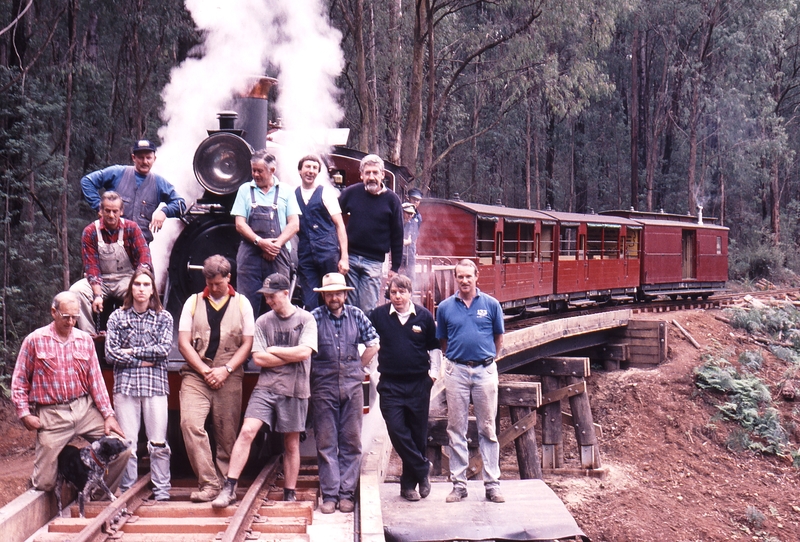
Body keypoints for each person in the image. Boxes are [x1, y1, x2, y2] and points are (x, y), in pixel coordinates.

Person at [212, 273, 317, 508]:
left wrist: (275, 349)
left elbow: (304, 353)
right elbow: (259, 359)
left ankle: (289, 493)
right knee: (247, 431)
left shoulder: (306, 319)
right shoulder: (263, 322)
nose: (269, 301)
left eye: (272, 297)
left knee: (291, 443)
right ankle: (229, 487)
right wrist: (289, 354)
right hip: (266, 389)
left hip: (295, 389)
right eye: (266, 297)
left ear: (285, 294)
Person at [11, 291, 128, 492]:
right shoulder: (35, 340)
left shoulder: (84, 340)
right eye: (66, 317)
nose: (71, 322)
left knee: (123, 449)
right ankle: (64, 459)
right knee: (44, 483)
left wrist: (108, 415)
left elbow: (96, 382)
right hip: (52, 414)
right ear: (53, 312)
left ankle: (96, 495)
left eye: (75, 317)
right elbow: (20, 381)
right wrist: (24, 414)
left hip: (84, 410)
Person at [177, 255, 255, 502]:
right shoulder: (192, 302)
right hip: (197, 374)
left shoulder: (243, 304)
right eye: (209, 284)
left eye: (218, 284)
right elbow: (183, 342)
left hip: (229, 374)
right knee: (190, 424)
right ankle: (209, 483)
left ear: (229, 278)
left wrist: (227, 370)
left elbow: (248, 343)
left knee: (227, 434)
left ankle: (226, 486)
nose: (213, 288)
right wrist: (204, 370)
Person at [436, 259, 505, 503]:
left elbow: (498, 338)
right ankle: (459, 485)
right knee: (456, 428)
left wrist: (486, 361)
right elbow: (443, 342)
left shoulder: (491, 305)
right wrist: (459, 360)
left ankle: (492, 485)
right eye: (460, 277)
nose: (464, 281)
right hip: (457, 372)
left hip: (485, 371)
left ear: (477, 276)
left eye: (468, 276)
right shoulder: (444, 307)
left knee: (487, 428)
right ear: (456, 279)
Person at [309, 273, 379, 514]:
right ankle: (329, 495)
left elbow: (374, 343)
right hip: (323, 386)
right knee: (326, 441)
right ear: (323, 296)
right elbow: (304, 350)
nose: (334, 298)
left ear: (346, 294)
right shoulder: (314, 318)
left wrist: (359, 366)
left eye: (338, 293)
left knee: (351, 440)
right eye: (330, 294)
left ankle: (346, 494)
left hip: (352, 386)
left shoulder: (357, 315)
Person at [369, 274, 440, 501]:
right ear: (388, 294)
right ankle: (422, 468)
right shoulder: (378, 316)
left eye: (401, 292)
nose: (397, 296)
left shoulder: (424, 316)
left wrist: (434, 376)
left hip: (419, 383)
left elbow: (434, 348)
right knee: (397, 429)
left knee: (417, 434)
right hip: (390, 384)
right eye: (393, 292)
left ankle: (408, 486)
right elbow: (368, 343)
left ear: (410, 293)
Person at [105, 268, 173, 500]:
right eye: (137, 284)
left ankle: (162, 490)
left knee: (158, 442)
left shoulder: (164, 318)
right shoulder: (117, 317)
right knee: (128, 444)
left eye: (146, 285)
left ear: (153, 289)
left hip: (155, 386)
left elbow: (163, 351)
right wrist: (143, 359)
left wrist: (131, 352)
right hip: (125, 387)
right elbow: (111, 354)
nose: (141, 289)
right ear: (131, 288)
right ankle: (128, 490)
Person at [69, 191, 152, 336]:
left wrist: (140, 279)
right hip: (100, 280)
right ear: (101, 211)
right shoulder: (90, 232)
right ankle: (89, 337)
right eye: (107, 211)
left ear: (121, 211)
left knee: (141, 291)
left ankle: (136, 335)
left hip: (126, 278)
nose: (111, 215)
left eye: (115, 211)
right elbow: (92, 265)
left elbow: (144, 257)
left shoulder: (132, 228)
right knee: (76, 292)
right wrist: (97, 295)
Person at [231, 150, 300, 315]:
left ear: (272, 171)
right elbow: (240, 224)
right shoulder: (244, 190)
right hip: (250, 256)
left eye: (259, 171)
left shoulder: (286, 191)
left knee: (278, 302)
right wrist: (260, 243)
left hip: (278, 254)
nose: (255, 174)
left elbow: (294, 224)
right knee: (246, 306)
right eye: (253, 170)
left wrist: (276, 245)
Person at [80, 139, 185, 243]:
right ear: (133, 158)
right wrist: (99, 207)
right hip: (110, 243)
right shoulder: (117, 173)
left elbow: (180, 204)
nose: (145, 161)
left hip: (140, 246)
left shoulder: (159, 183)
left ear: (154, 159)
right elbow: (87, 181)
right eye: (141, 157)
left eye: (148, 158)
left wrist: (164, 212)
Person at [338, 154, 403, 314]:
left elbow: (397, 235)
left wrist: (394, 267)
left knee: (368, 308)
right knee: (348, 306)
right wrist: (340, 252)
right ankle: (350, 339)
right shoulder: (351, 193)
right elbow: (334, 217)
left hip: (374, 262)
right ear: (361, 175)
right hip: (350, 259)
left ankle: (366, 339)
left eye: (375, 173)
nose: (371, 177)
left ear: (382, 175)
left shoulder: (392, 200)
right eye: (367, 173)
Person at [294, 155, 349, 310]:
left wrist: (344, 258)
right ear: (300, 170)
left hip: (328, 253)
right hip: (306, 255)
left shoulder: (326, 194)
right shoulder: (293, 195)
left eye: (314, 168)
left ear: (318, 172)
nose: (311, 171)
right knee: (309, 301)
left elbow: (340, 226)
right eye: (307, 167)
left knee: (333, 298)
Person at [400, 202, 418, 287]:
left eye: (412, 214)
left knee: (411, 275)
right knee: (398, 276)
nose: (410, 216)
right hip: (398, 253)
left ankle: (411, 295)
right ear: (402, 212)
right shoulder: (397, 223)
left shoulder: (413, 223)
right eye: (408, 213)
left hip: (410, 253)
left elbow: (410, 240)